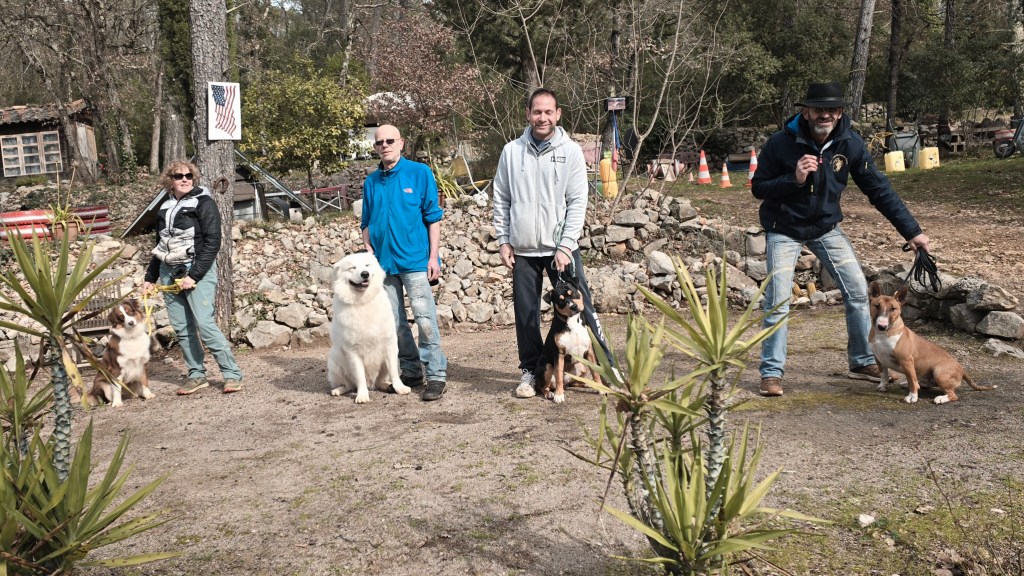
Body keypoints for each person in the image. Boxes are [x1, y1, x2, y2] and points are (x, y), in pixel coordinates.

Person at [751, 81, 931, 397]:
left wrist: (912, 232)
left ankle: (862, 361)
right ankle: (771, 374)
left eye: (832, 109)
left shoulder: (849, 144)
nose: (826, 115)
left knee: (860, 292)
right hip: (784, 228)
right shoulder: (780, 143)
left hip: (825, 227)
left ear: (840, 112)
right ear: (806, 112)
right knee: (778, 299)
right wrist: (794, 179)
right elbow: (759, 187)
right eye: (819, 109)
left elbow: (879, 190)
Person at [492, 87, 613, 399]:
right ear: (528, 114)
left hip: (561, 248)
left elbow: (577, 202)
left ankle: (606, 369)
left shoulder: (570, 151)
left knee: (582, 307)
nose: (542, 117)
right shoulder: (511, 152)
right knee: (526, 313)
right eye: (537, 111)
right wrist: (504, 240)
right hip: (523, 249)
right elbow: (501, 199)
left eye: (548, 112)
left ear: (558, 114)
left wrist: (565, 245)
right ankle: (532, 370)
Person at [361, 124, 448, 401]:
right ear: (375, 147)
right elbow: (366, 221)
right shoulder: (371, 182)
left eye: (389, 141)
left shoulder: (420, 173)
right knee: (395, 322)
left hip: (415, 261)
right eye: (379, 142)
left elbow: (433, 218)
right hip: (384, 265)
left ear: (402, 143)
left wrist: (433, 257)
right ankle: (411, 370)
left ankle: (435, 374)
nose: (384, 145)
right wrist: (367, 247)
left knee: (424, 320)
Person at [143, 160, 243, 395]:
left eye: (189, 175)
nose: (185, 179)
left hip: (196, 268)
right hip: (169, 271)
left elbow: (212, 242)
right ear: (171, 181)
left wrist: (194, 275)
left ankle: (232, 374)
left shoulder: (204, 203)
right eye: (179, 176)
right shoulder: (165, 207)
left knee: (205, 324)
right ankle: (196, 375)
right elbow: (161, 245)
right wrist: (150, 277)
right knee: (182, 328)